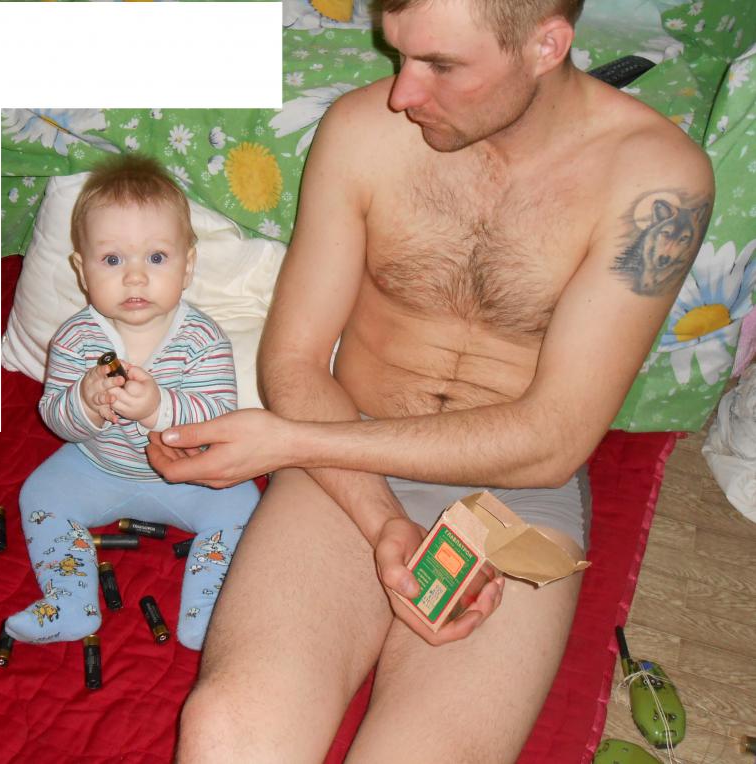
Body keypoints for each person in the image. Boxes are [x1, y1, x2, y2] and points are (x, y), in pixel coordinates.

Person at [146, 0, 714, 759]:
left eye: (441, 65)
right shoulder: (361, 131)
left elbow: (552, 441)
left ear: (546, 45)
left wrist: (285, 441)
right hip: (344, 460)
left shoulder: (655, 183)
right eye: (399, 54)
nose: (401, 93)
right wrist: (381, 518)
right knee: (229, 727)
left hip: (509, 493)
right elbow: (294, 363)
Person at [6, 155, 259, 652]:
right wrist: (84, 403)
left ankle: (208, 613)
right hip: (96, 467)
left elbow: (217, 416)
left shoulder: (203, 338)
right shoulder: (75, 338)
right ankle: (70, 601)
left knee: (248, 507)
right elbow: (55, 418)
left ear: (188, 265)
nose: (135, 278)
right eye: (112, 260)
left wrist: (158, 408)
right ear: (82, 270)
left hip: (188, 477)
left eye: (156, 258)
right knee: (39, 495)